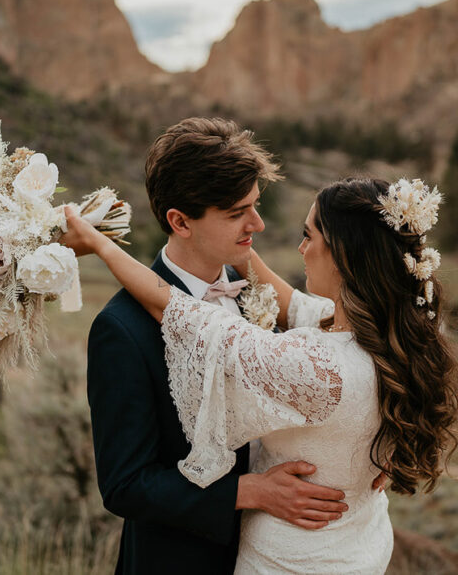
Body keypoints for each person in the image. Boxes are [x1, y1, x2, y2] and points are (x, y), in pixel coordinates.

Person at [63, 174, 458, 574]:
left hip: (289, 562)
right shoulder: (387, 330)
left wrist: (100, 244)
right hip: (358, 544)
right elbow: (289, 302)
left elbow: (175, 309)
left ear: (344, 257)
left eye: (309, 237)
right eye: (242, 210)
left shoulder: (314, 363)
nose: (298, 247)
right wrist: (237, 241)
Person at [74, 118, 352, 575]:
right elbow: (125, 485)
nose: (257, 224)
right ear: (180, 221)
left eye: (255, 206)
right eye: (236, 212)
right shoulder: (120, 329)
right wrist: (253, 491)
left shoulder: (258, 294)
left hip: (276, 555)